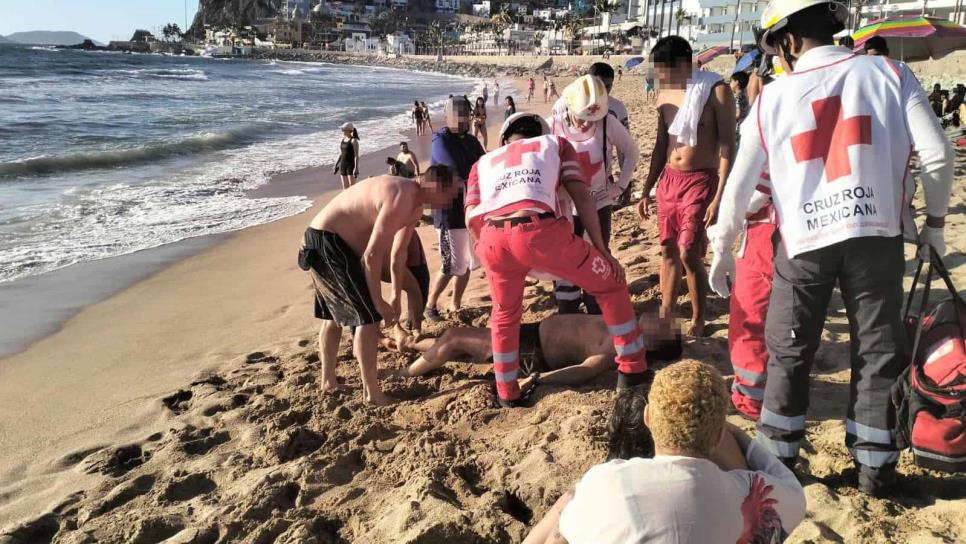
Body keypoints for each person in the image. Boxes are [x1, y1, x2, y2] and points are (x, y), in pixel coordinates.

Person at [708, 0, 953, 496]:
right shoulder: (889, 71)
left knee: (790, 352)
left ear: (790, 41)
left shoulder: (775, 97)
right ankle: (875, 469)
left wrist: (722, 246)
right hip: (878, 234)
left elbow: (737, 188)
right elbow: (938, 152)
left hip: (802, 242)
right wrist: (935, 225)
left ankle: (779, 461)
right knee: (879, 351)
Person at [465, 112, 652, 460]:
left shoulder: (483, 162)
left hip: (492, 240)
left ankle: (507, 391)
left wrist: (489, 254)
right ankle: (633, 370)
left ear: (506, 137)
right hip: (541, 233)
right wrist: (602, 250)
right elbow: (582, 196)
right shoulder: (555, 144)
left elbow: (472, 216)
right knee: (611, 285)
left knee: (505, 315)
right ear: (540, 132)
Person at [524, 361, 807, 544]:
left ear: (648, 419)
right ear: (720, 435)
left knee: (564, 517)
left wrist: (564, 505)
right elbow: (789, 485)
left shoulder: (606, 483)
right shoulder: (746, 490)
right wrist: (737, 434)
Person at [297, 167, 460, 405]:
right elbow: (372, 256)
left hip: (330, 243)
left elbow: (398, 255)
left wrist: (394, 296)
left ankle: (328, 382)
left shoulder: (414, 205)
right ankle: (372, 394)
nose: (452, 202)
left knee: (333, 317)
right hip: (326, 241)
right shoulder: (401, 194)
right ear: (435, 186)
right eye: (451, 195)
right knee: (368, 318)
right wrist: (378, 301)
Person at [636, 35, 737, 337]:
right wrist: (646, 189)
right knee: (667, 249)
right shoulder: (664, 95)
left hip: (701, 179)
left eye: (663, 70)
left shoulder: (717, 91)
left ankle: (697, 318)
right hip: (669, 180)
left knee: (687, 253)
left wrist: (719, 196)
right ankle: (667, 313)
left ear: (682, 64)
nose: (659, 77)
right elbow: (659, 145)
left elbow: (728, 146)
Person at [391, 313, 682, 389]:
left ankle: (403, 373)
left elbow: (587, 370)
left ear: (653, 342)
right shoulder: (626, 322)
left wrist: (540, 379)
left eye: (663, 326)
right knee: (464, 344)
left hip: (530, 351)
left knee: (456, 337)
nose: (660, 317)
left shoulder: (618, 349)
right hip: (530, 334)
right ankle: (410, 345)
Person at [549, 75, 641, 314]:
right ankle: (567, 306)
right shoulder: (552, 125)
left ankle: (595, 302)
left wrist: (620, 185)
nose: (586, 123)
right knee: (565, 258)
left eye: (592, 117)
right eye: (581, 117)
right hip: (565, 208)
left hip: (599, 203)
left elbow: (631, 152)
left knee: (598, 254)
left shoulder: (608, 123)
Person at [425, 96, 488, 322]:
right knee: (452, 264)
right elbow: (452, 172)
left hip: (471, 211)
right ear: (447, 116)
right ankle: (430, 305)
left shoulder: (472, 141)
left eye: (465, 114)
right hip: (449, 213)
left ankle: (455, 304)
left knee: (470, 263)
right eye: (457, 114)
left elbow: (486, 164)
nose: (462, 119)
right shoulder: (440, 140)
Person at [333, 122, 360, 190]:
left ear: (349, 130)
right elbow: (341, 154)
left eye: (344, 130)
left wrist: (356, 168)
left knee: (352, 187)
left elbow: (356, 156)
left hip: (351, 165)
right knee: (345, 187)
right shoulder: (343, 139)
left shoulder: (354, 141)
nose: (342, 131)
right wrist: (336, 164)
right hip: (343, 165)